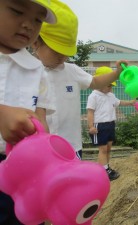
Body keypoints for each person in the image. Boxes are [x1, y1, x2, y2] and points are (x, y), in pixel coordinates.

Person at [31, 0, 128, 159]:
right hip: (40, 148)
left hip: (71, 146)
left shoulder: (72, 71)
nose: (62, 57)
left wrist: (117, 73)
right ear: (36, 43)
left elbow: (96, 82)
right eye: (56, 52)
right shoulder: (29, 72)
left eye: (66, 52)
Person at [0, 0, 56, 224]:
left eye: (37, 20)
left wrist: (50, 161)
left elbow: (40, 118)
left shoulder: (36, 69)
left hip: (21, 169)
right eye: (16, 10)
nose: (28, 25)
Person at [87, 66, 136, 181]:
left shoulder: (111, 95)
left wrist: (130, 102)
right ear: (99, 82)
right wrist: (91, 126)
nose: (110, 88)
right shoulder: (93, 96)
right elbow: (90, 112)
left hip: (110, 124)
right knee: (103, 149)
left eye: (111, 85)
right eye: (108, 85)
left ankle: (106, 167)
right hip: (99, 126)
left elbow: (119, 102)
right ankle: (104, 171)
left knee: (108, 148)